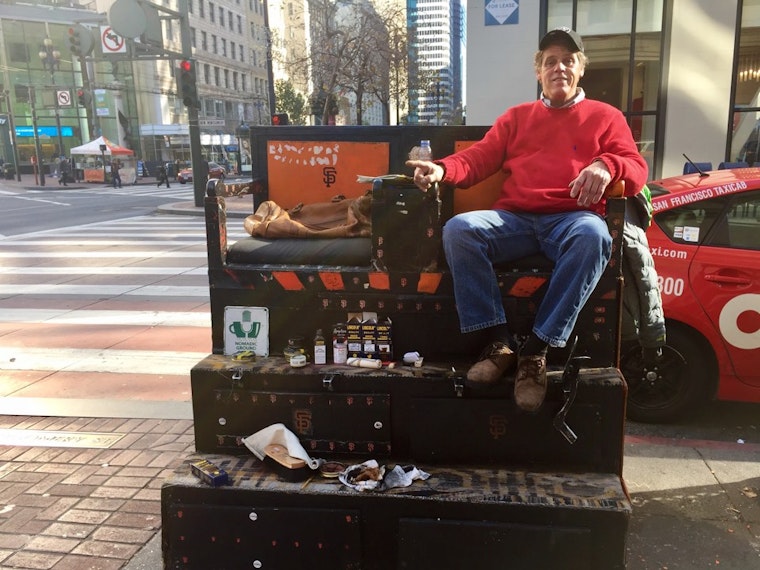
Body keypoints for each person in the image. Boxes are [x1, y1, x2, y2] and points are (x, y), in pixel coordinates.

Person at [406, 27, 648, 412]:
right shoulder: (516, 118)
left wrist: (607, 164)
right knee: (459, 230)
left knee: (594, 235)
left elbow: (637, 169)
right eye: (550, 61)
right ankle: (499, 343)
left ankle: (535, 352)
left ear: (580, 69)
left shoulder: (607, 117)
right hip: (515, 220)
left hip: (570, 219)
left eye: (568, 61)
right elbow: (477, 159)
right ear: (539, 71)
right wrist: (441, 170)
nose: (559, 68)